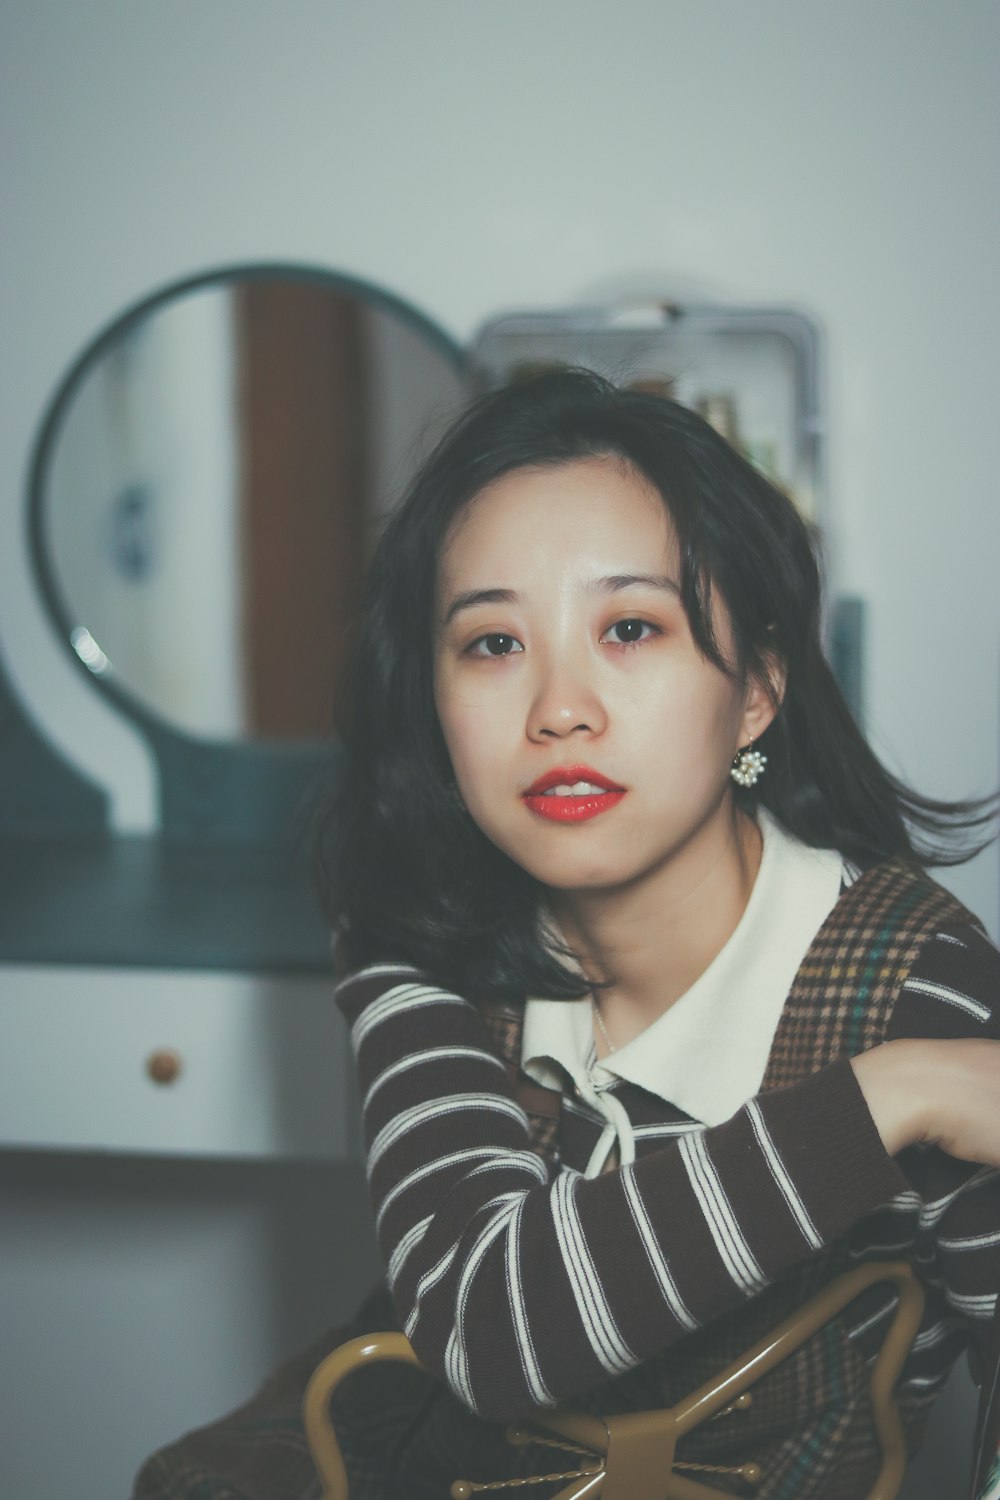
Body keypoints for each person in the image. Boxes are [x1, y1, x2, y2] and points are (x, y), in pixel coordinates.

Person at [136, 370, 1000, 1500]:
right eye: (492, 644)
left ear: (757, 690)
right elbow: (487, 1329)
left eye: (630, 626)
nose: (558, 708)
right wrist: (894, 1095)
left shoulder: (918, 982)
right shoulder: (413, 917)